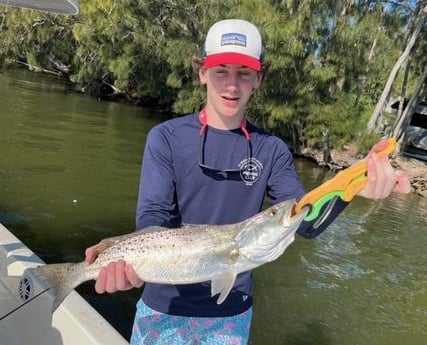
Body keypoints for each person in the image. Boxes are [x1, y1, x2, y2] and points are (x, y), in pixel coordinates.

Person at [85, 19, 411, 344]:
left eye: (244, 73)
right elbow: (152, 218)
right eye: (221, 70)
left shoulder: (272, 150)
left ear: (258, 78)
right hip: (162, 310)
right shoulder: (165, 138)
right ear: (202, 73)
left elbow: (304, 220)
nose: (232, 85)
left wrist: (352, 184)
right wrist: (124, 262)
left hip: (231, 318)